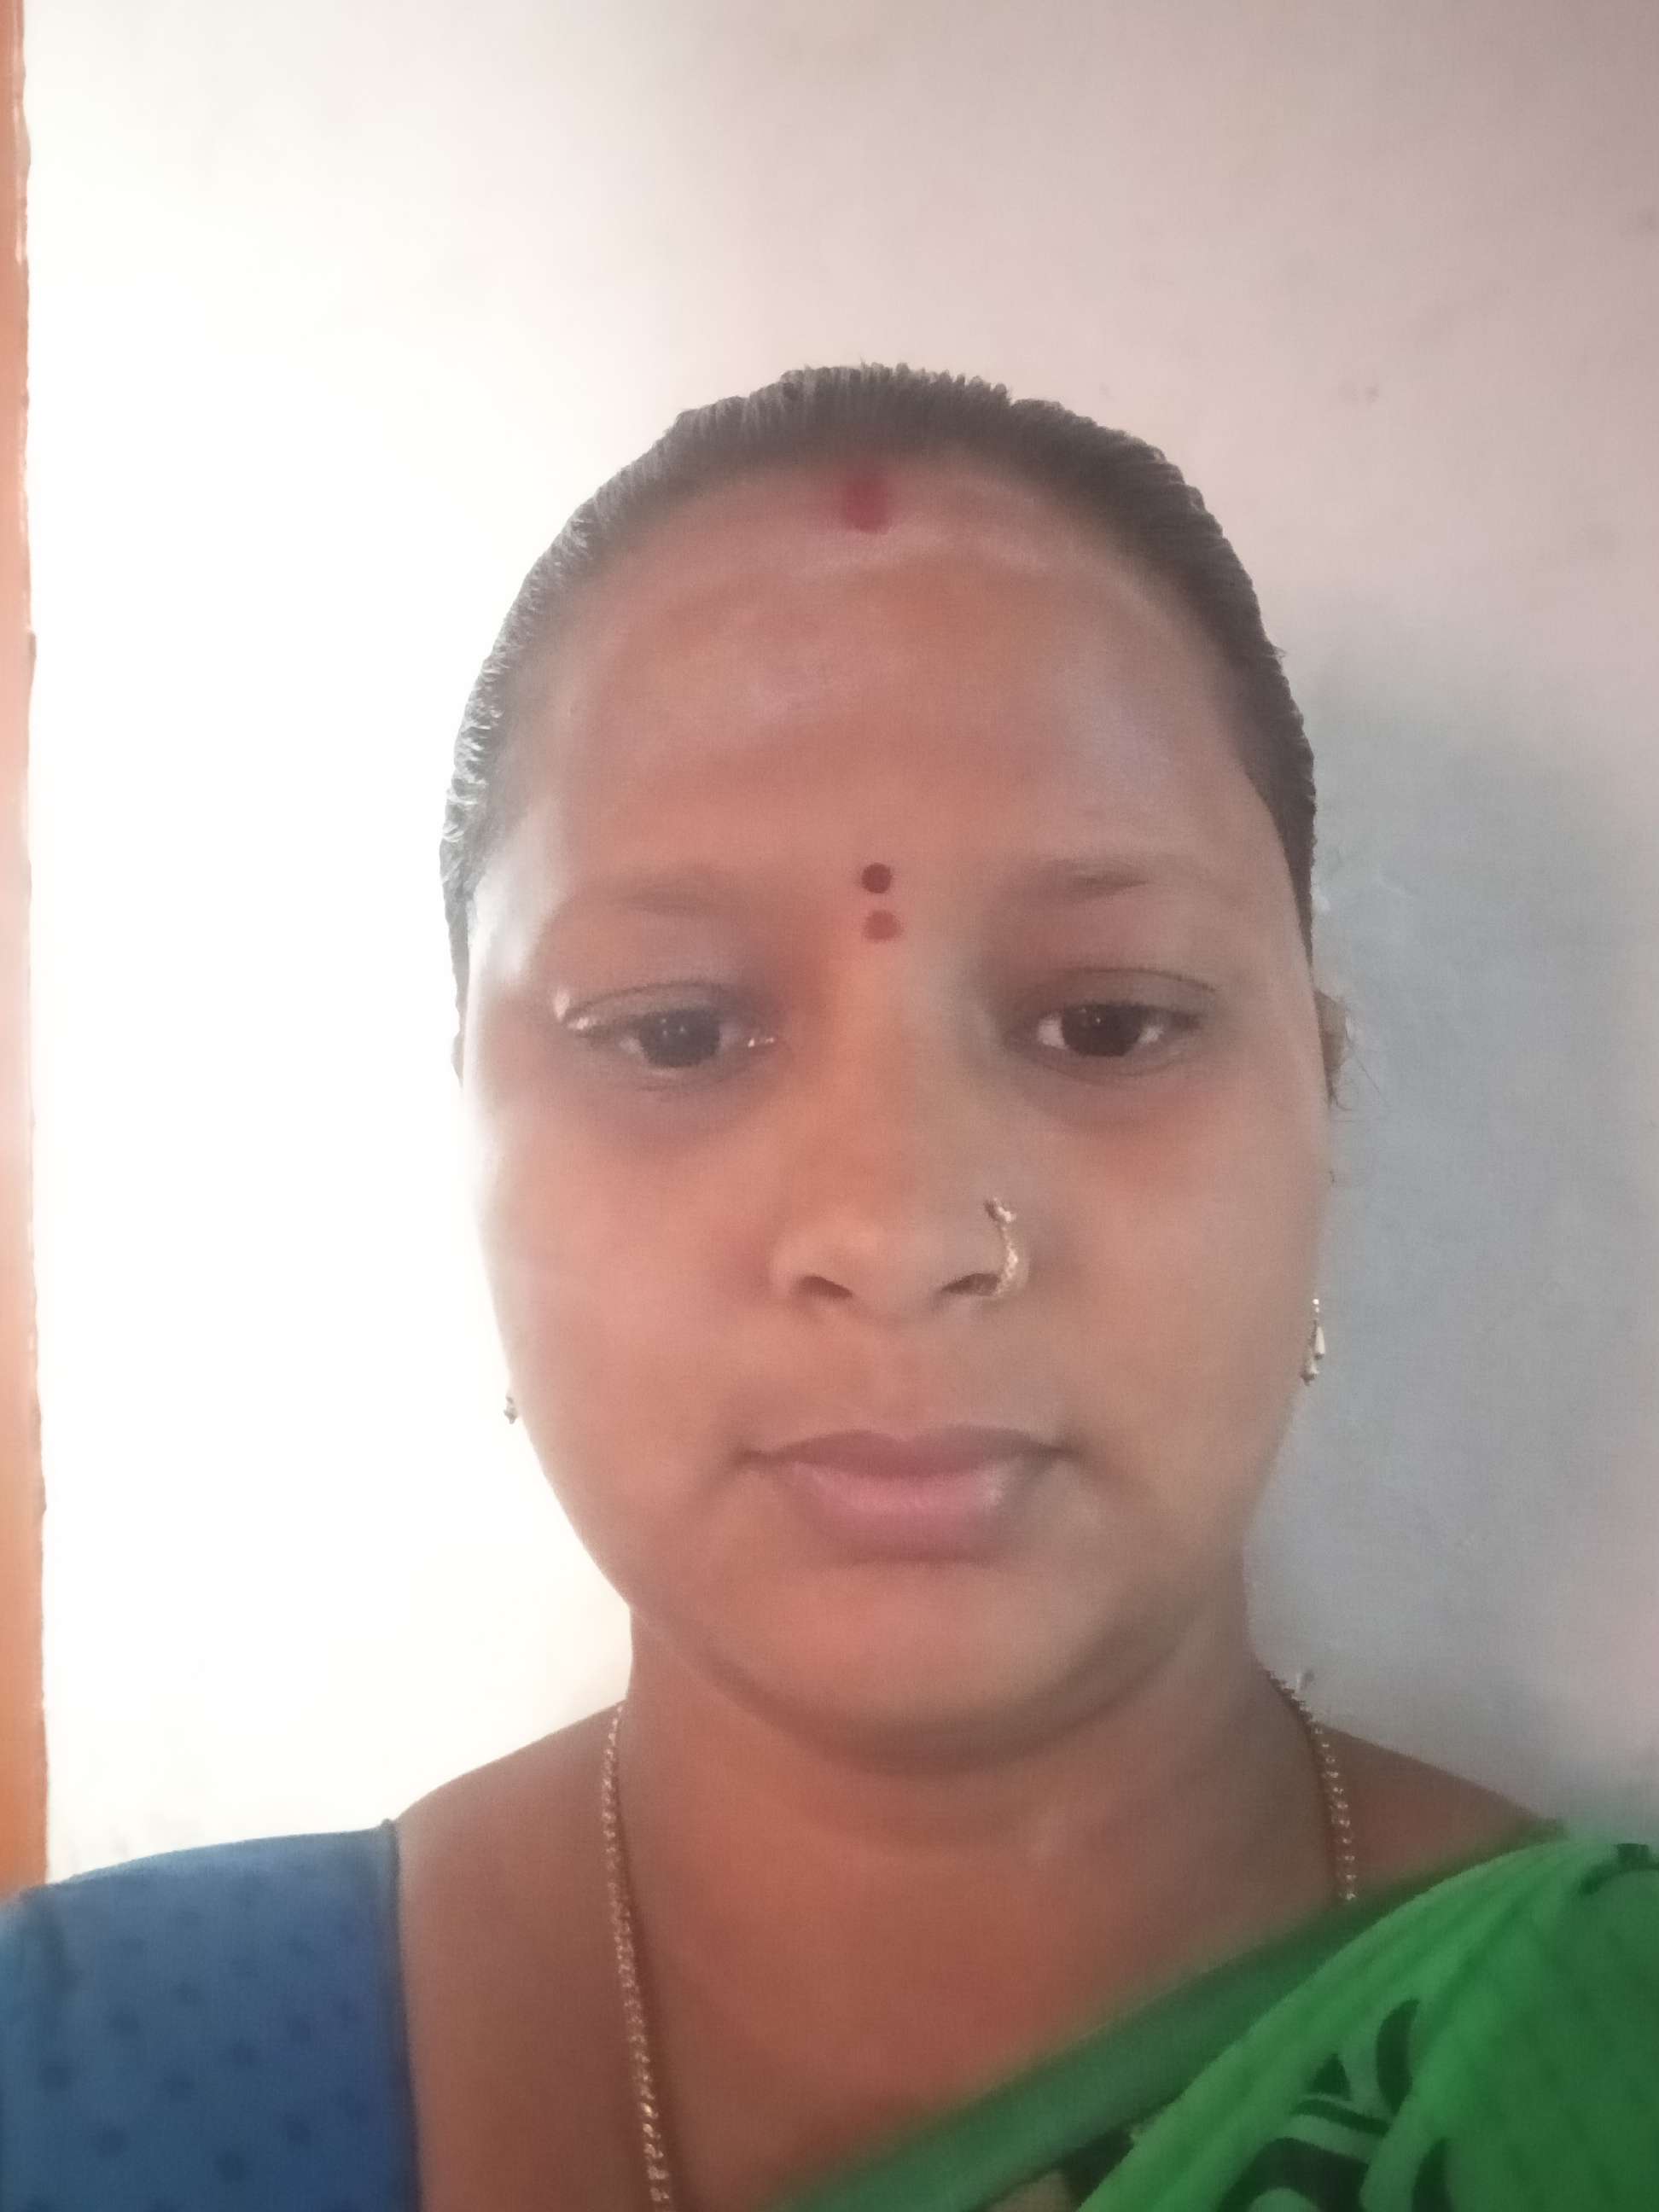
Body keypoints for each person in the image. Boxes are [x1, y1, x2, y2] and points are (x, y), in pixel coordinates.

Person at [3, 363, 1657, 2211]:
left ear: (1320, 1108)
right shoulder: (85, 2095)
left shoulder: (1609, 2057)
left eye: (1108, 1023)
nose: (897, 1232)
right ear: (472, 1138)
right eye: (676, 1032)